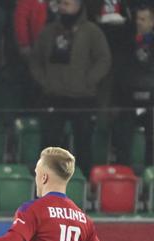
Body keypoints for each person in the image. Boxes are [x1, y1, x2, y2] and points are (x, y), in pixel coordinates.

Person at [29, 0, 111, 175]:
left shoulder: (91, 31)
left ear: (78, 5)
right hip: (53, 95)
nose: (63, 8)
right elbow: (35, 60)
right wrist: (45, 81)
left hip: (82, 97)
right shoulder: (48, 31)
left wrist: (88, 81)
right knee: (49, 145)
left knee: (84, 144)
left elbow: (104, 59)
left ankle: (84, 185)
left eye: (67, 4)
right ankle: (45, 187)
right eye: (61, 4)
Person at [111, 4, 154, 169]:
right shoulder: (126, 43)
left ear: (152, 22)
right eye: (137, 19)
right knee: (123, 139)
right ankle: (123, 176)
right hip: (128, 100)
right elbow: (120, 73)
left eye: (143, 19)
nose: (139, 22)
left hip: (151, 101)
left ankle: (150, 178)